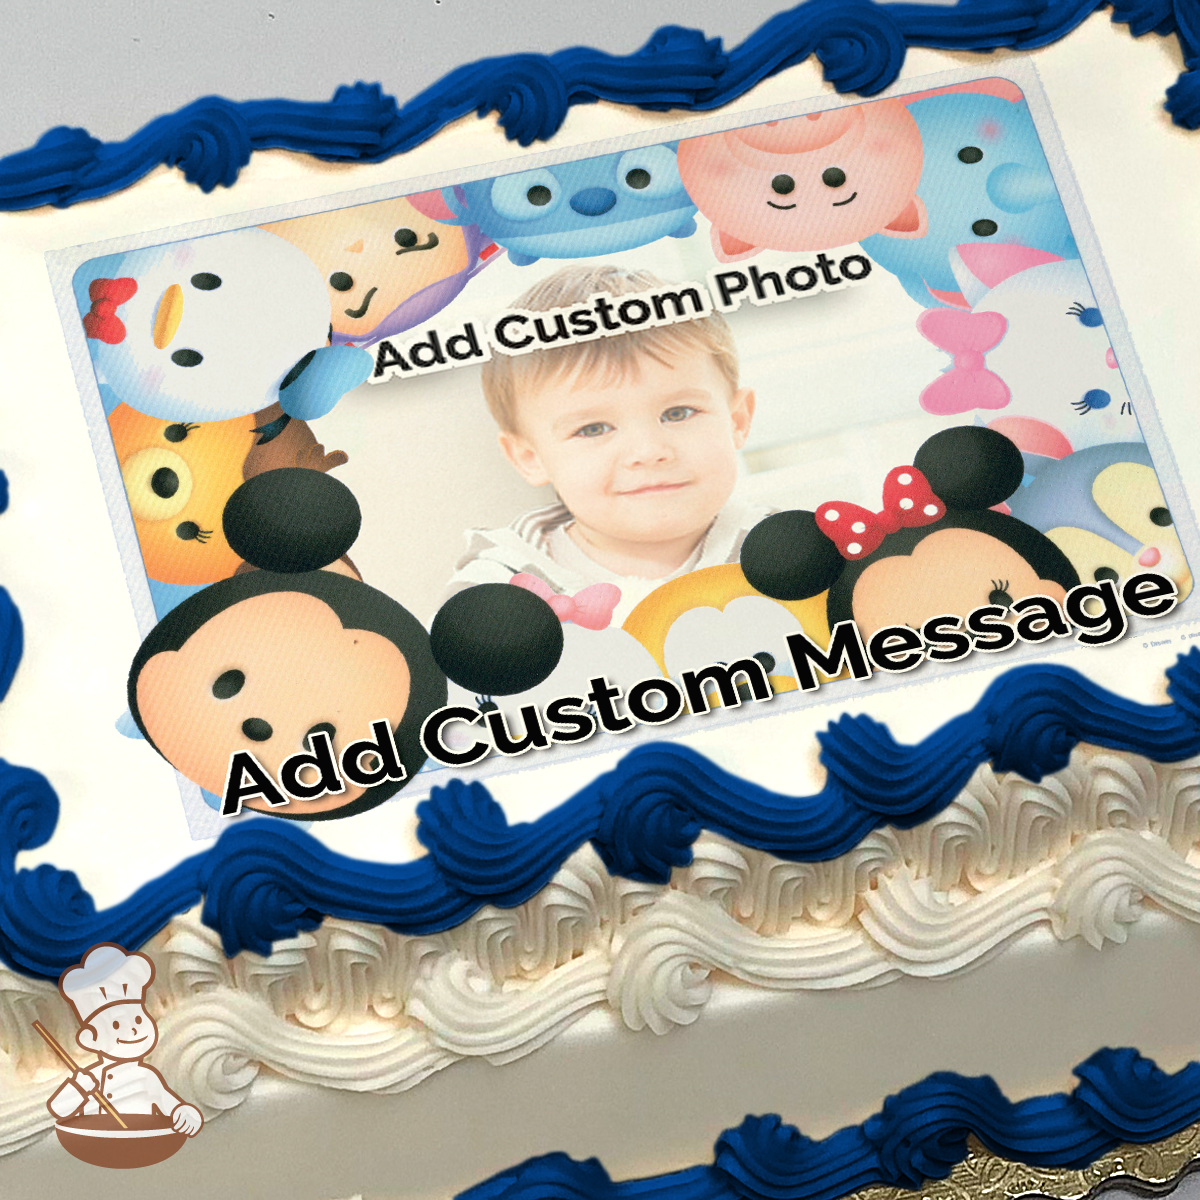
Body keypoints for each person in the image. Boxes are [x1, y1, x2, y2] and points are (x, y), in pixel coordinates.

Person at [446, 265, 767, 624]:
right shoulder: (497, 589)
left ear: (736, 420)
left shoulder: (787, 549)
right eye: (594, 428)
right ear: (530, 457)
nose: (648, 451)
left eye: (678, 413)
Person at [45, 944, 203, 1135]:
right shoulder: (91, 1078)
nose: (134, 1030)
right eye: (117, 1025)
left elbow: (171, 1104)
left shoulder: (147, 1075)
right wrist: (79, 1087)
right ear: (92, 1039)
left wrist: (185, 1113)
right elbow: (58, 1108)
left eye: (137, 1019)